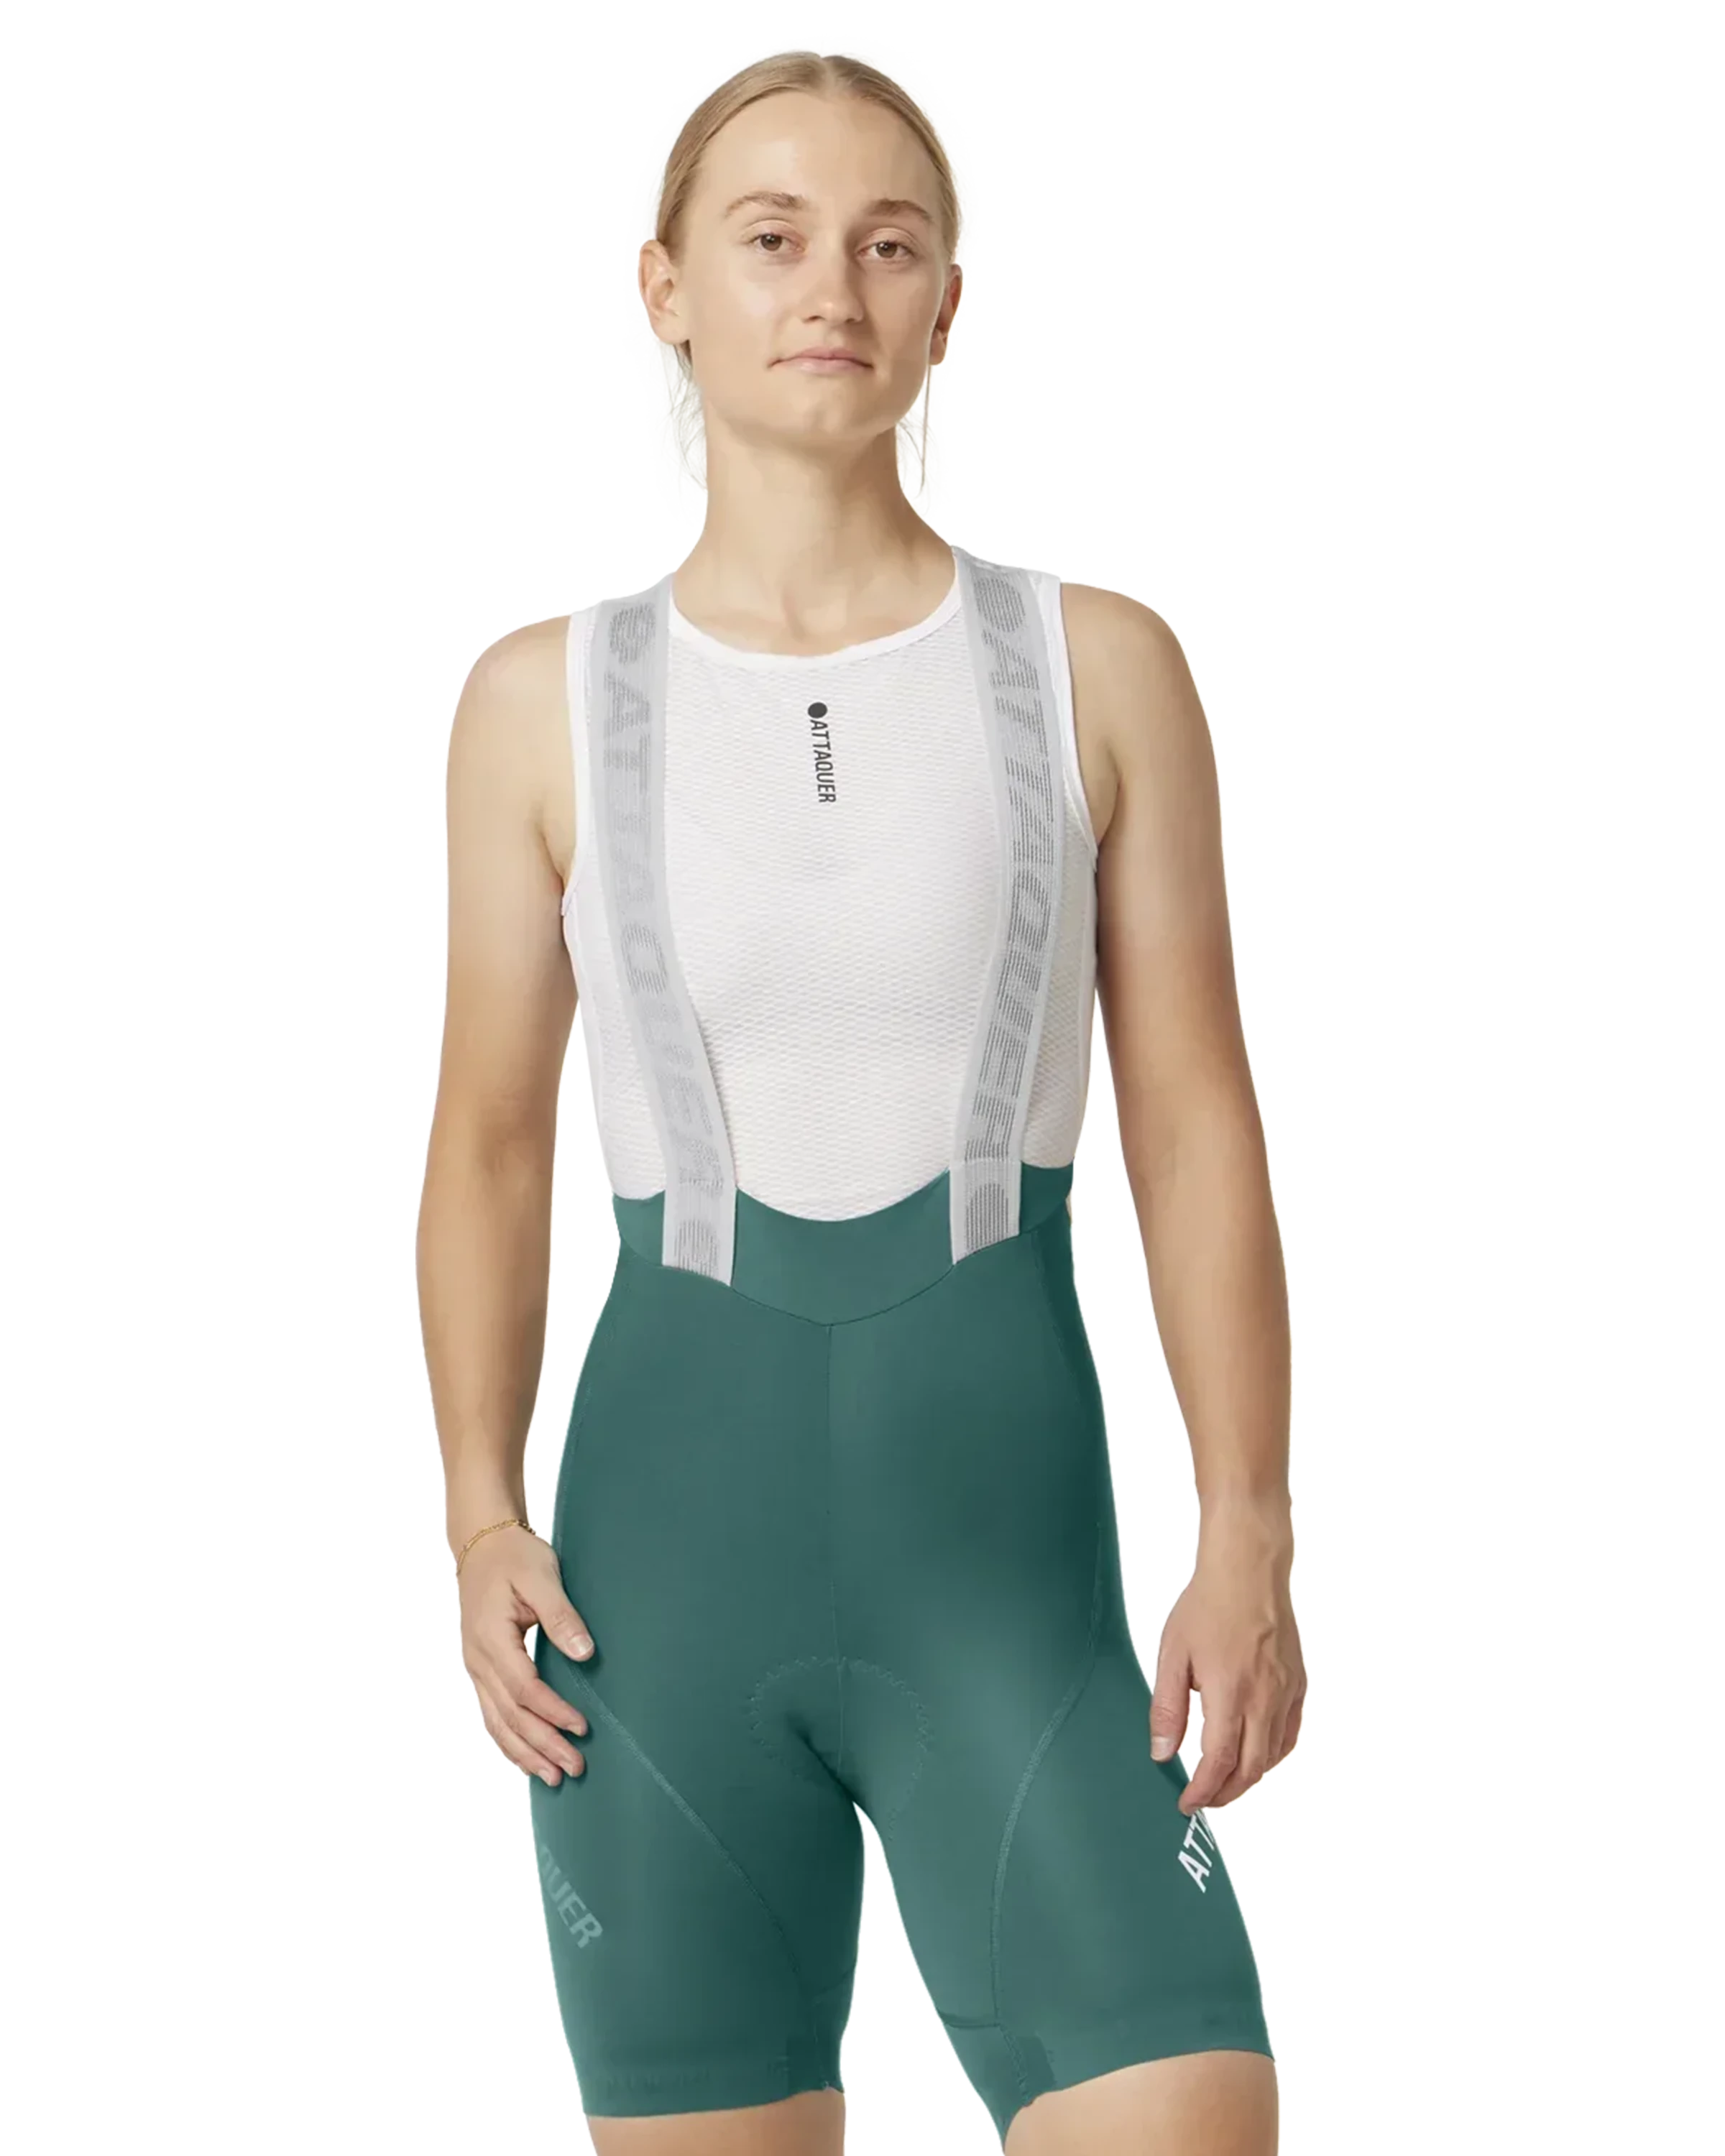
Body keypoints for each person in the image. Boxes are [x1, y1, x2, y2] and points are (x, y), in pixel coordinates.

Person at [416, 47, 1305, 2156]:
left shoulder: (1094, 668)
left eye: (890, 244)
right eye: (775, 236)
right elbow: (488, 1140)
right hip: (658, 1602)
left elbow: (1195, 1124)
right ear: (668, 289)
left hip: (1011, 1588)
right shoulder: (544, 700)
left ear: (947, 309)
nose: (834, 285)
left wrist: (1251, 1527)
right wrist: (472, 1508)